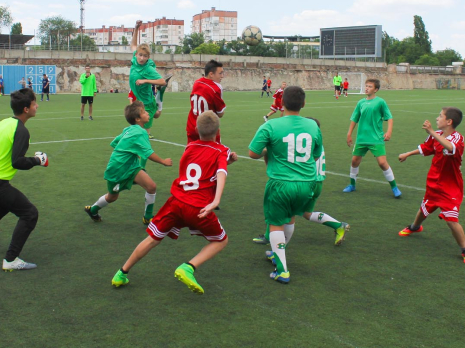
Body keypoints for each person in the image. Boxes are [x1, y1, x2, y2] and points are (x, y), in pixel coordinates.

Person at [111, 111, 237, 294]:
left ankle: (121, 273)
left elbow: (201, 170)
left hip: (176, 202)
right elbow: (220, 172)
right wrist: (216, 198)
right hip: (198, 206)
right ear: (218, 131)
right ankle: (189, 267)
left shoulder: (190, 147)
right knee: (221, 241)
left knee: (153, 239)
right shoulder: (222, 150)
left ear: (196, 129)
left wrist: (226, 162)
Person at [248, 86, 322, 284]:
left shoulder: (271, 125)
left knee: (275, 224)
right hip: (307, 183)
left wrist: (268, 151)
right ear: (303, 104)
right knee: (290, 218)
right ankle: (277, 254)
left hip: (281, 183)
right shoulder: (313, 125)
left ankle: (282, 271)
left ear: (281, 103)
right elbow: (315, 155)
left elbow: (253, 153)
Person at [0, 88, 48, 271]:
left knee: (4, 203)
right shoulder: (21, 131)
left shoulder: (2, 123)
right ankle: (10, 260)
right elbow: (18, 162)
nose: (37, 106)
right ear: (26, 109)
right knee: (30, 213)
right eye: (34, 104)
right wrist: (38, 160)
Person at [397, 107, 465, 264]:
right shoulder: (437, 135)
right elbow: (426, 148)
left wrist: (432, 132)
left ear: (449, 121)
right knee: (424, 208)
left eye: (440, 116)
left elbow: (450, 148)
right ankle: (415, 227)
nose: (437, 118)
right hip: (433, 182)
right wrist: (408, 154)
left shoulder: (457, 139)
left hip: (450, 187)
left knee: (451, 220)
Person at [257, 117, 350, 247]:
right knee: (307, 214)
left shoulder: (305, 144)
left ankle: (275, 245)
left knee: (285, 210)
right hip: (318, 182)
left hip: (307, 181)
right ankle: (338, 225)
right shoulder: (316, 143)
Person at [84, 101, 172, 225]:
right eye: (144, 112)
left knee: (151, 186)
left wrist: (130, 151)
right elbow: (148, 153)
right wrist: (163, 161)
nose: (147, 113)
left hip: (131, 167)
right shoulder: (140, 132)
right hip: (118, 169)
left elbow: (115, 143)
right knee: (112, 197)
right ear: (137, 119)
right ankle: (93, 210)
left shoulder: (128, 129)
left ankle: (148, 217)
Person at [343, 79, 401, 198]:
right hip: (361, 138)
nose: (367, 88)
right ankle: (352, 185)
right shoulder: (361, 103)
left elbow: (389, 117)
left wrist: (389, 132)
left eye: (370, 86)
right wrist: (349, 134)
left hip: (376, 138)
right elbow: (354, 119)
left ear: (376, 89)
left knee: (382, 163)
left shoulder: (380, 102)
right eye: (366, 86)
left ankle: (394, 187)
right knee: (354, 161)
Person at [129, 20, 170, 139]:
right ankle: (160, 97)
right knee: (155, 115)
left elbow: (162, 81)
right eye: (140, 55)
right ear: (136, 54)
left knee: (144, 133)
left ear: (148, 57)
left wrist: (145, 81)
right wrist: (136, 28)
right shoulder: (135, 60)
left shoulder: (148, 69)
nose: (142, 58)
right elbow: (133, 45)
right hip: (141, 101)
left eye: (145, 56)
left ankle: (159, 98)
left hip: (146, 102)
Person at [186, 60, 226, 143]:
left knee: (193, 150)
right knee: (213, 150)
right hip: (208, 129)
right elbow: (220, 113)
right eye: (220, 73)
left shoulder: (197, 82)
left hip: (192, 126)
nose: (222, 76)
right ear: (211, 74)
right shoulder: (216, 88)